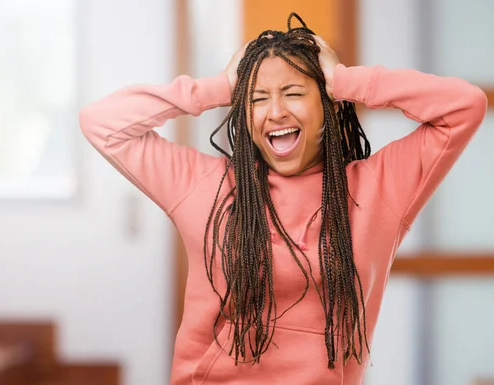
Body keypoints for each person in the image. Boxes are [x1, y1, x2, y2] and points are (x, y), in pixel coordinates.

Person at [79, 12, 487, 385]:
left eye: (293, 93)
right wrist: (219, 87)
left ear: (327, 105)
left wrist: (345, 81)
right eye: (256, 98)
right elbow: (101, 122)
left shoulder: (378, 189)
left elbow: (464, 106)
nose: (274, 111)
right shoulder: (206, 185)